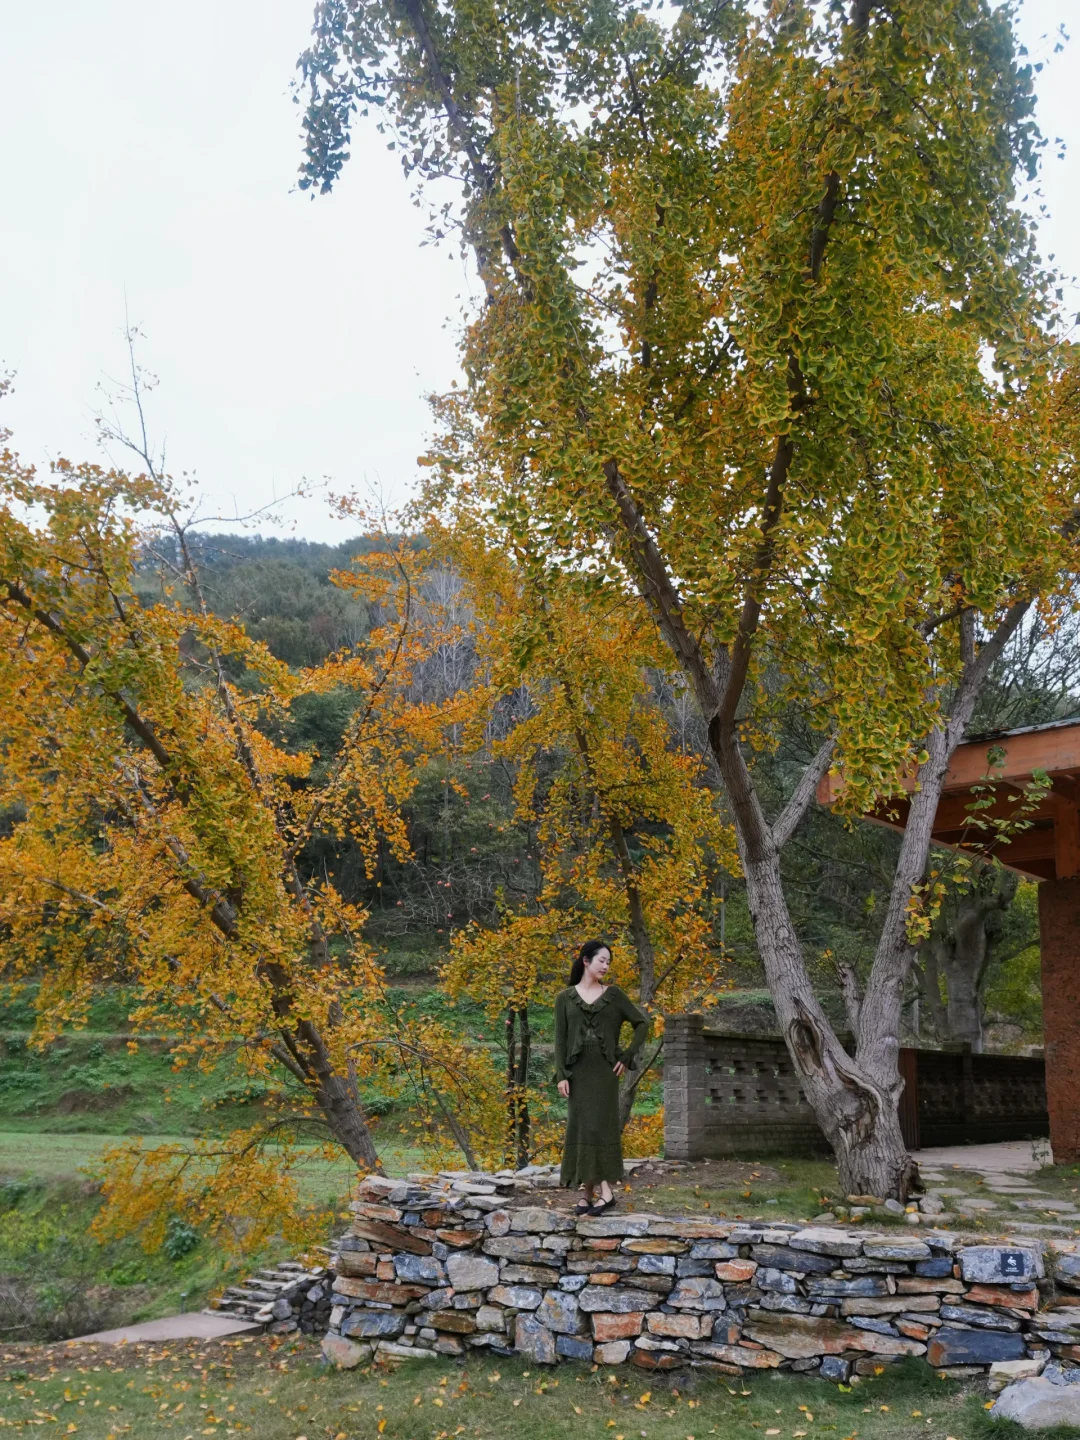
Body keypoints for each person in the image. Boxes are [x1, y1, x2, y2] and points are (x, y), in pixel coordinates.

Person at [554, 939, 650, 1215]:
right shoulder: (564, 998)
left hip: (605, 1074)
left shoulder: (615, 995)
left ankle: (606, 1193)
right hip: (577, 1074)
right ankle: (587, 1193)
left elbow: (642, 1024)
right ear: (586, 960)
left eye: (609, 962)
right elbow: (560, 1041)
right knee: (582, 1128)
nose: (606, 966)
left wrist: (627, 1055)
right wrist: (562, 1074)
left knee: (599, 1128)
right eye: (602, 960)